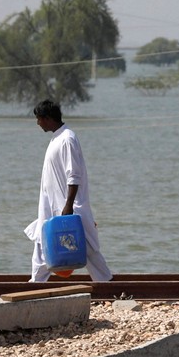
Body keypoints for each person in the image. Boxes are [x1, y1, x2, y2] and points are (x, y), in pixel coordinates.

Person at [25, 99, 113, 283]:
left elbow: (74, 175)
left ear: (47, 118)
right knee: (43, 244)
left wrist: (68, 205)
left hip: (67, 207)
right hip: (52, 206)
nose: (37, 123)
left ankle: (106, 283)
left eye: (39, 119)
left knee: (85, 247)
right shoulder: (57, 138)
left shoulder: (67, 139)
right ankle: (35, 284)